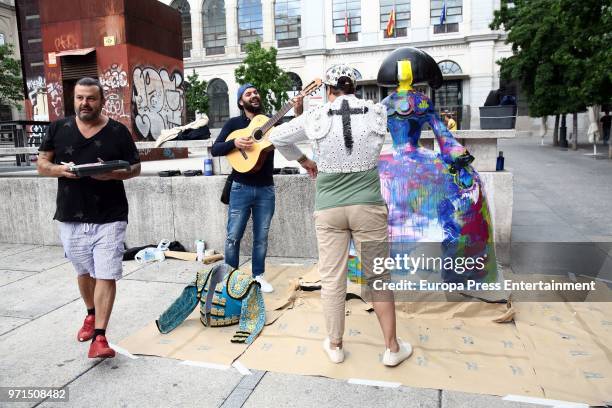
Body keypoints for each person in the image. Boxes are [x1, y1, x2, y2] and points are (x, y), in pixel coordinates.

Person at [269, 64, 412, 367]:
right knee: (378, 277)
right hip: (368, 207)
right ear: (355, 89)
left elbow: (277, 137)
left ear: (327, 90)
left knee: (332, 279)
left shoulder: (316, 115)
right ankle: (391, 348)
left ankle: (335, 345)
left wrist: (306, 161)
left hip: (329, 208)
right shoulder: (376, 112)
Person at [37, 77, 141, 358]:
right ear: (74, 100)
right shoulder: (59, 128)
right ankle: (90, 314)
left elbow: (135, 167)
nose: (85, 103)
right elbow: (42, 164)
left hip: (110, 214)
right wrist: (61, 170)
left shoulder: (118, 131)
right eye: (80, 98)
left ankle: (100, 338)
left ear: (102, 101)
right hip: (71, 214)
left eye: (91, 98)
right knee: (84, 272)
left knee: (106, 273)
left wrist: (114, 174)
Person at [211, 84, 315, 292]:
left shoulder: (271, 123)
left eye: (256, 92)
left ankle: (258, 276)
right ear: (241, 101)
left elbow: (295, 129)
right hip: (240, 186)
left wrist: (298, 107)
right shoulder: (234, 124)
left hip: (266, 188)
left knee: (261, 236)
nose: (254, 95)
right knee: (233, 236)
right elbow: (215, 149)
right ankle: (232, 279)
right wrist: (235, 144)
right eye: (248, 94)